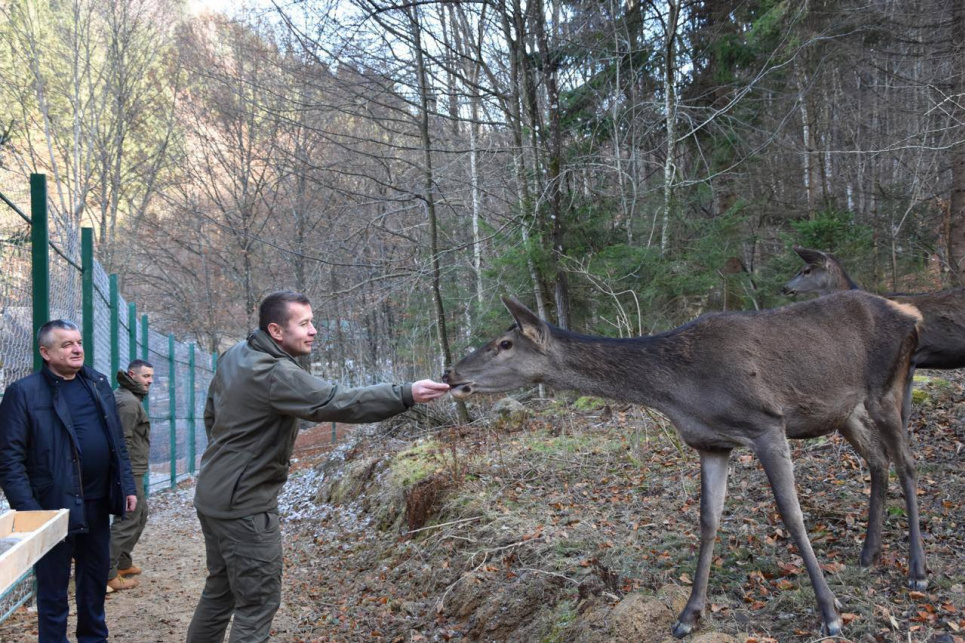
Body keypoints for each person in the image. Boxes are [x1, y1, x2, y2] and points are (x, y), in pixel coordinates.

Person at [187, 291, 450, 643]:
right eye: (304, 324)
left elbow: (211, 414)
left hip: (214, 494)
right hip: (245, 505)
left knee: (220, 591)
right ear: (276, 330)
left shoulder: (235, 354)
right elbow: (336, 401)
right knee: (257, 602)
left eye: (313, 322)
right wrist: (405, 393)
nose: (314, 331)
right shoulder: (274, 371)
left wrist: (226, 463)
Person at [0, 319, 137, 642]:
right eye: (66, 344)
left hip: (97, 502)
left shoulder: (98, 383)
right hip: (51, 510)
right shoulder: (23, 393)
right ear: (45, 353)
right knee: (53, 590)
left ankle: (93, 638)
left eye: (78, 342)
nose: (77, 349)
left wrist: (127, 485)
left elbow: (116, 442)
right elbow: (8, 460)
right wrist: (32, 513)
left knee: (93, 583)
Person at [106, 359, 154, 592]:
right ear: (131, 375)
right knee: (128, 519)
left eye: (151, 377)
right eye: (145, 376)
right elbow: (121, 442)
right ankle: (107, 574)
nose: (150, 381)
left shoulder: (132, 398)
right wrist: (124, 475)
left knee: (140, 514)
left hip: (135, 469)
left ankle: (123, 563)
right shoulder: (127, 402)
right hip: (129, 471)